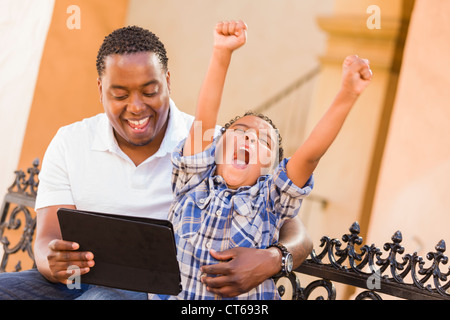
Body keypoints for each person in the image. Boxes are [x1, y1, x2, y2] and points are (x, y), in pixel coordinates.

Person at [0, 25, 312, 300]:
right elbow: (46, 239)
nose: (136, 107)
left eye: (149, 92)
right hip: (74, 281)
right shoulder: (70, 141)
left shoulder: (211, 146)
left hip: (158, 291)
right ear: (100, 90)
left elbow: (292, 226)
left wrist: (275, 259)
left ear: (167, 82)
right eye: (120, 94)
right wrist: (50, 259)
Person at [156, 20, 372, 299]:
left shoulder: (271, 199)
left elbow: (310, 155)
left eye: (263, 141)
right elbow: (204, 118)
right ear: (218, 145)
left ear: (270, 167)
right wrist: (222, 53)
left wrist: (347, 94)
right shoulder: (193, 180)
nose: (250, 139)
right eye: (240, 132)